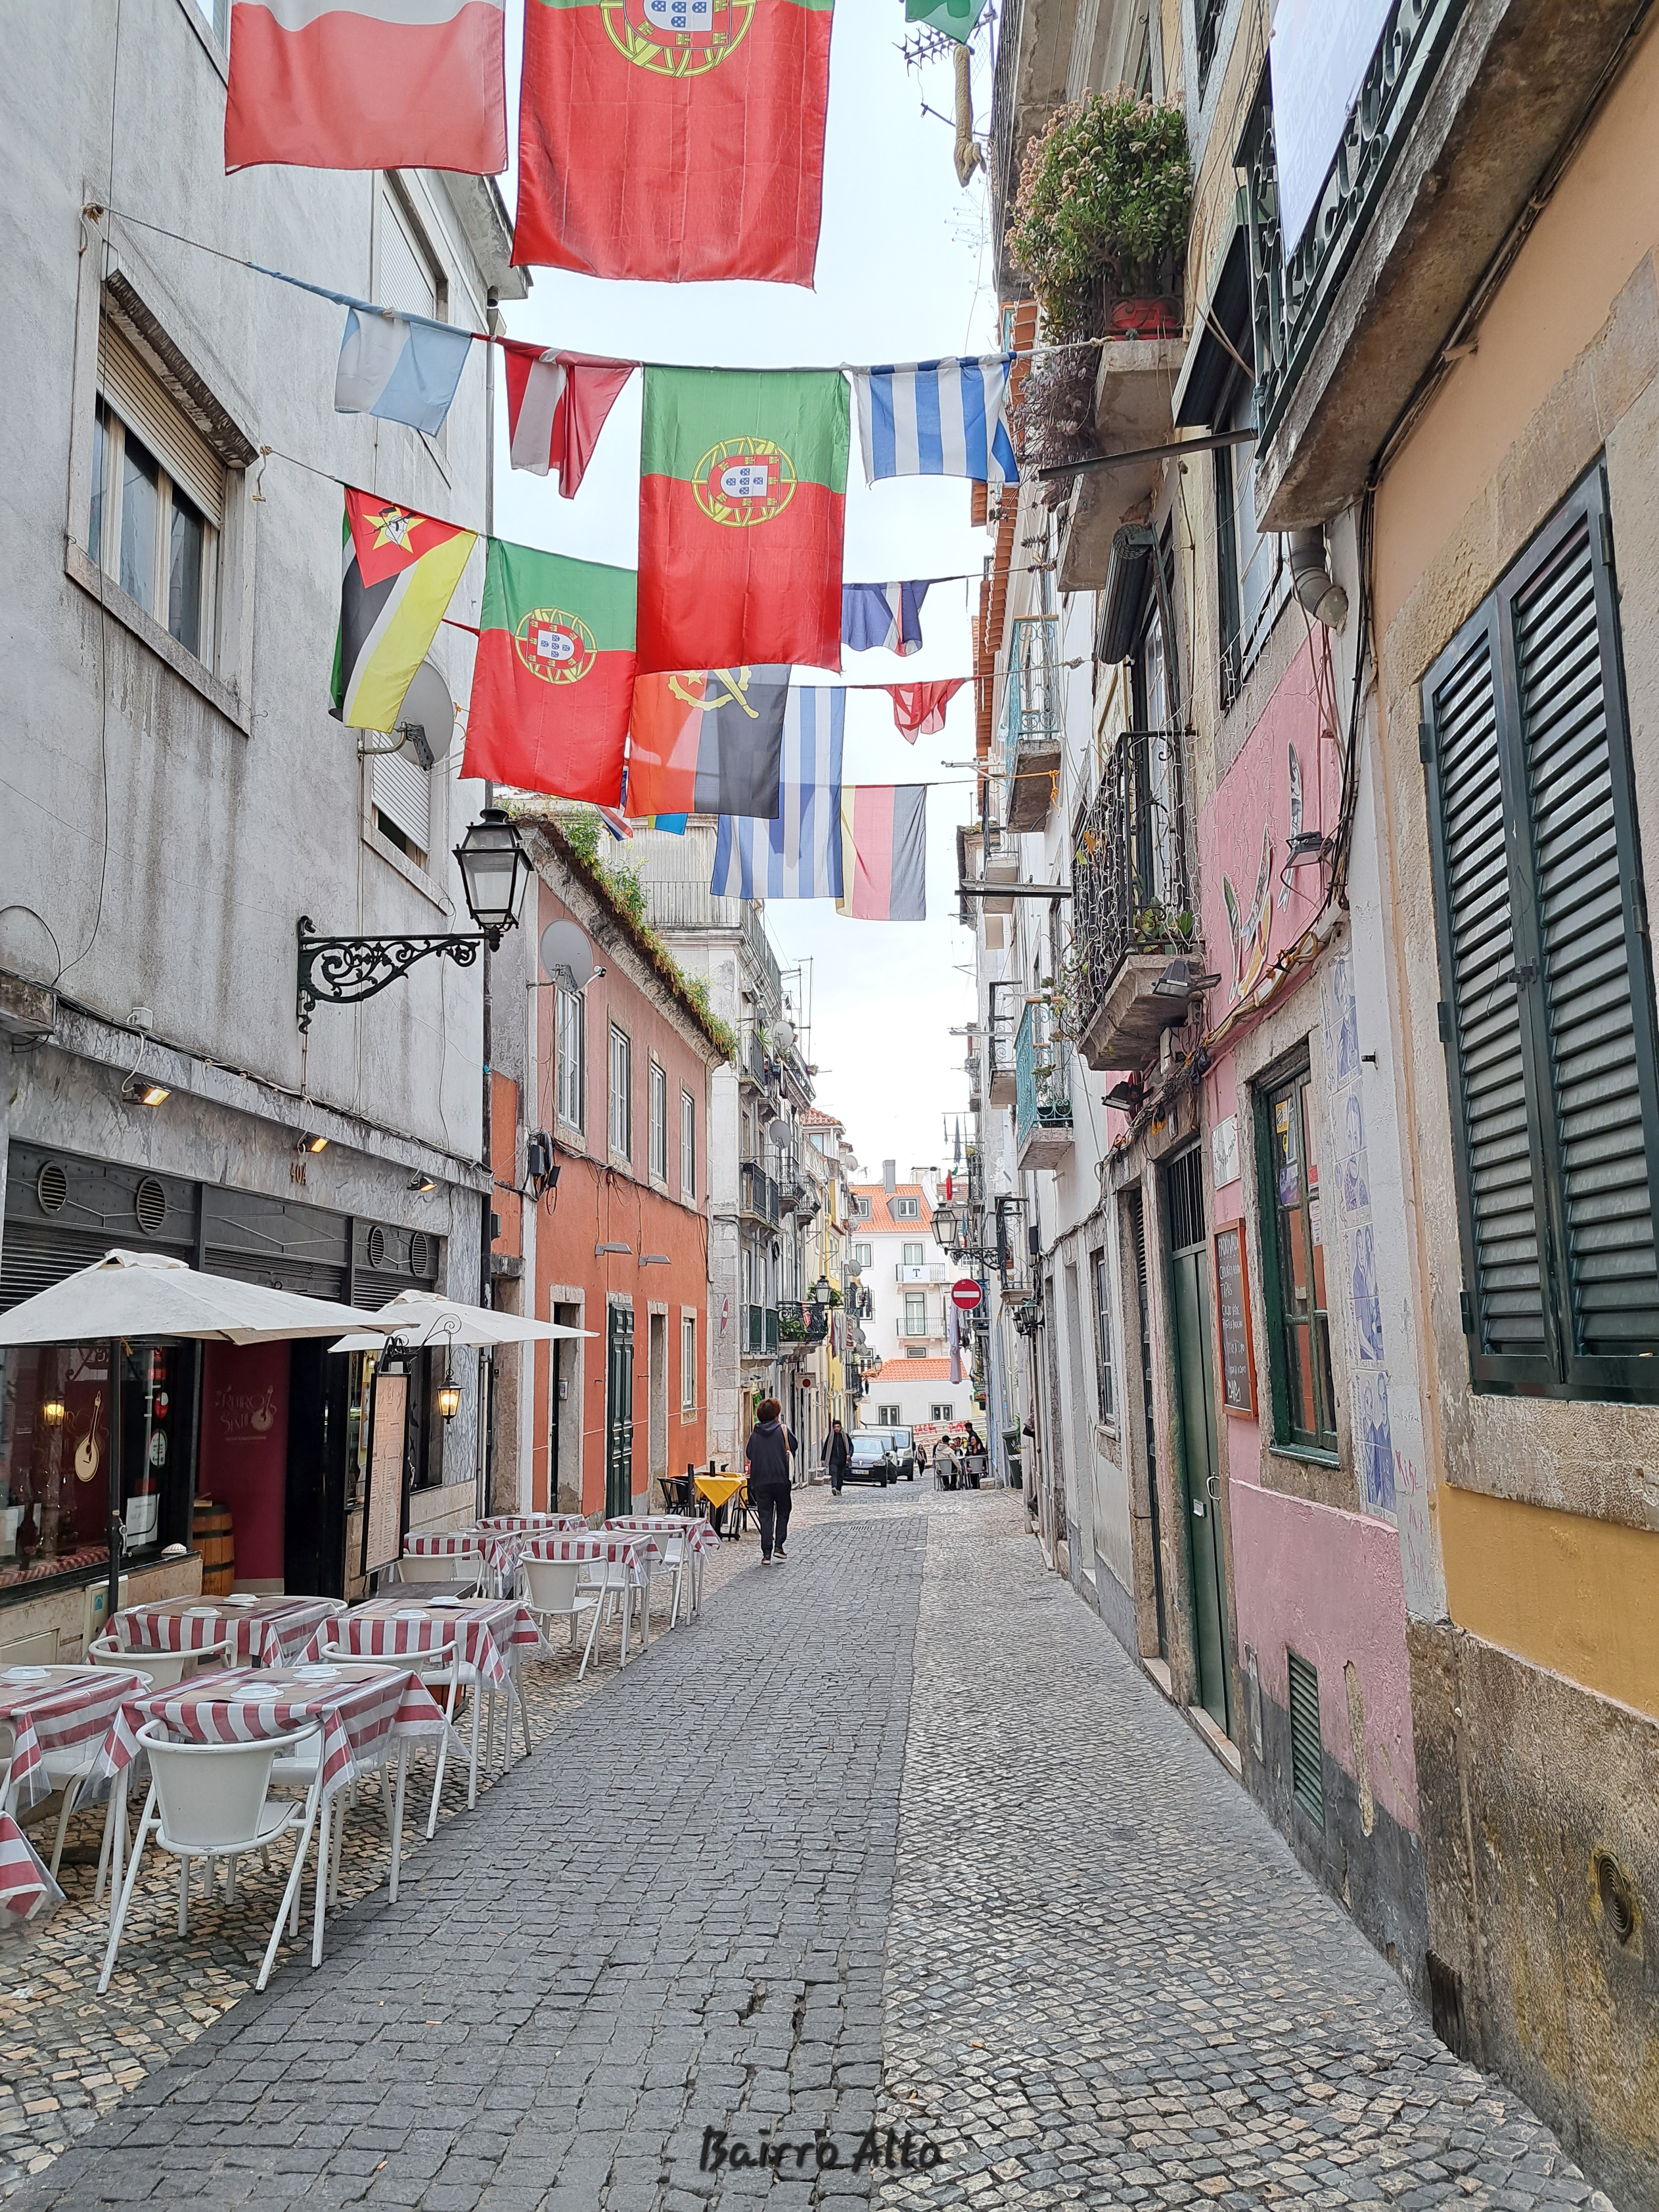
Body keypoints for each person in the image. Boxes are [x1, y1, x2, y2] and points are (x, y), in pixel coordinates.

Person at [745, 1398, 797, 1562]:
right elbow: (794, 1446)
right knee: (783, 1511)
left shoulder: (755, 1434)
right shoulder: (782, 1430)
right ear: (777, 1414)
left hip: (760, 1481)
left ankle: (766, 1553)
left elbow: (749, 1454)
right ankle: (779, 1547)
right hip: (781, 1478)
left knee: (765, 1515)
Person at [823, 1419, 850, 1497]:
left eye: (838, 1427)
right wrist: (823, 1458)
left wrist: (849, 1454)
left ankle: (839, 1489)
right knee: (834, 1473)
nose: (837, 1429)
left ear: (841, 1427)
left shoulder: (845, 1436)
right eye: (835, 1427)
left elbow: (851, 1446)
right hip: (833, 1459)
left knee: (840, 1476)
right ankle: (834, 1488)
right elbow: (826, 1447)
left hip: (842, 1460)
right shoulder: (831, 1436)